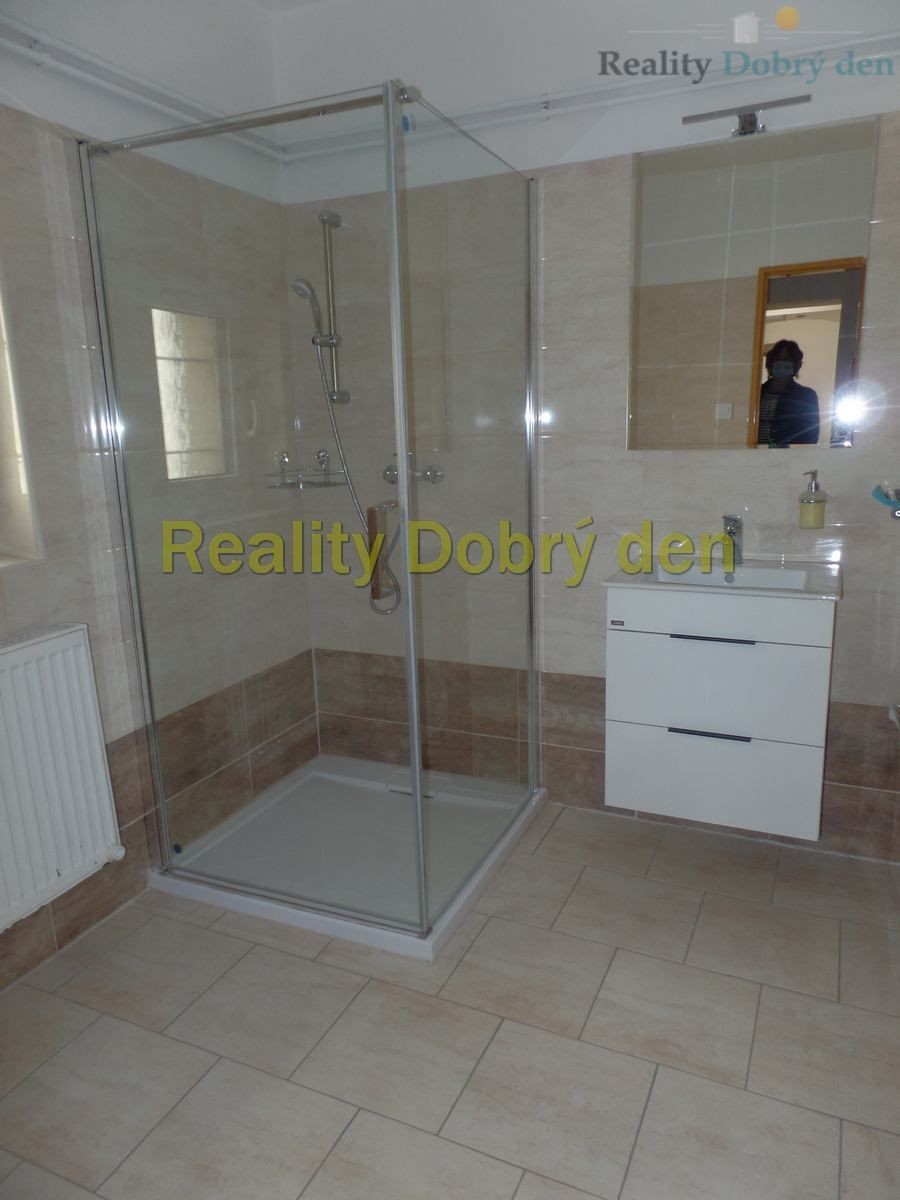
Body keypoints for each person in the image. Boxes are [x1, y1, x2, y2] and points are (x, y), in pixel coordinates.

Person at [757, 339, 820, 446]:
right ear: (770, 362)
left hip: (790, 454)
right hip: (754, 452)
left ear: (795, 365)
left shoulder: (806, 396)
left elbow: (810, 435)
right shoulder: (756, 393)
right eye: (778, 359)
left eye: (787, 359)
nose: (782, 363)